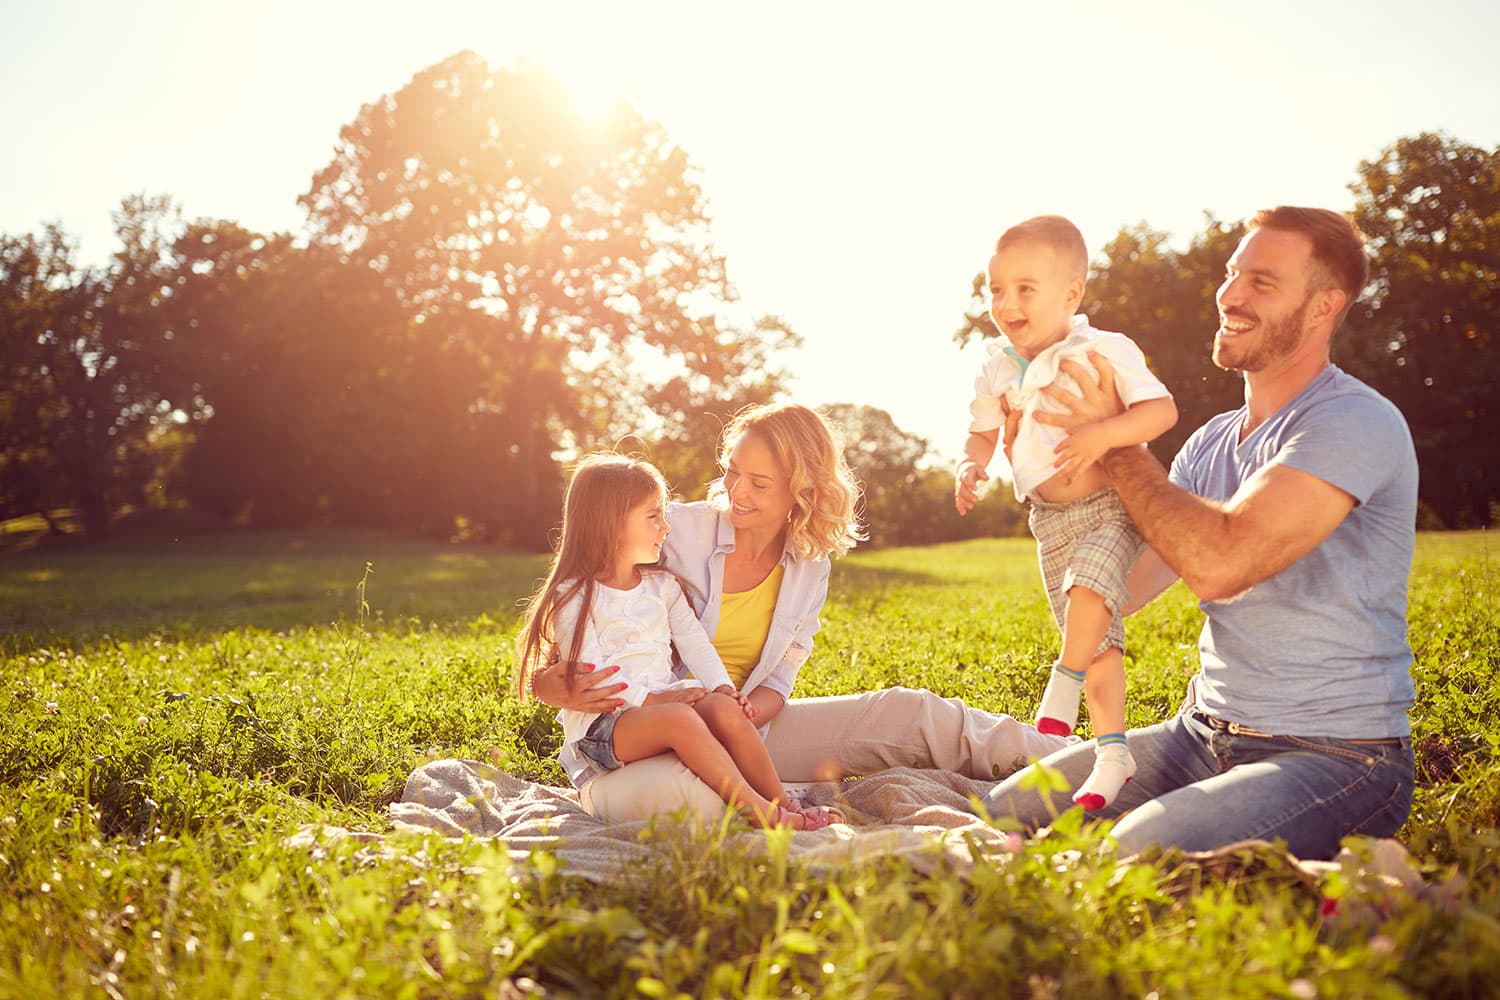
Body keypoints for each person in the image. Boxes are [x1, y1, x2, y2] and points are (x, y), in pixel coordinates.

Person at [981, 206, 1418, 861]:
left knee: (1134, 850)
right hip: (1201, 734)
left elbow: (1220, 563)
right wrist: (1052, 480)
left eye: (1261, 282)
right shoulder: (1210, 443)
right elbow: (1120, 592)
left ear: (1325, 305)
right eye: (1231, 272)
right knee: (1004, 811)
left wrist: (1116, 444)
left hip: (1338, 756)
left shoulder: (1351, 422)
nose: (1230, 294)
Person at [529, 402, 1071, 823]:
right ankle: (774, 804)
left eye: (759, 483)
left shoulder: (809, 563)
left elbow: (786, 665)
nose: (735, 491)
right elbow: (583, 612)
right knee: (689, 799)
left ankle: (1082, 761)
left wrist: (744, 711)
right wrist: (550, 685)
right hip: (655, 737)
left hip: (745, 728)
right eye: (732, 471)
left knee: (912, 712)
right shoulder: (674, 532)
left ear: (801, 489)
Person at [956, 215, 1178, 810]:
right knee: (1101, 641)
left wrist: (1104, 434)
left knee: (1090, 591)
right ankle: (1113, 752)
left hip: (1109, 506)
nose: (1006, 302)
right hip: (1047, 521)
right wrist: (972, 465)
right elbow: (980, 433)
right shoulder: (995, 365)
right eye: (996, 289)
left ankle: (1063, 683)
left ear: (1071, 293)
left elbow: (1160, 412)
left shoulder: (1103, 349)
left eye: (1025, 288)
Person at [515, 453, 834, 830]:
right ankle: (760, 812)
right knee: (680, 717)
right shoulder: (576, 597)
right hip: (604, 729)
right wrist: (652, 701)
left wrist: (722, 688)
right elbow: (594, 676)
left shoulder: (662, 586)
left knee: (722, 709)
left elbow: (695, 642)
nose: (665, 528)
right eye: (653, 517)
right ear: (610, 524)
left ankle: (781, 803)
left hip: (660, 712)